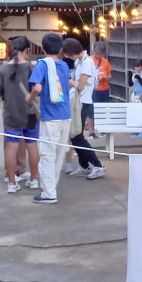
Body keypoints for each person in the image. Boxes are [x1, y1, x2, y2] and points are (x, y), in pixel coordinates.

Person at [28, 33, 71, 204]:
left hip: (50, 116)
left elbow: (37, 87)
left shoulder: (42, 65)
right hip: (65, 114)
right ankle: (51, 188)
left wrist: (30, 97)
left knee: (47, 154)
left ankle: (49, 192)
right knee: (59, 154)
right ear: (61, 49)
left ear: (43, 49)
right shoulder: (64, 66)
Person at [0, 36, 39, 194]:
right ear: (27, 49)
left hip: (11, 113)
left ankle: (12, 183)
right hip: (30, 113)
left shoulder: (3, 68)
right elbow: (38, 89)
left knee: (11, 148)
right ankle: (33, 180)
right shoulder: (32, 68)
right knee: (32, 147)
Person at [62, 38, 108, 180]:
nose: (67, 57)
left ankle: (98, 165)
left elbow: (81, 86)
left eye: (67, 54)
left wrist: (70, 81)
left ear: (72, 52)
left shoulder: (87, 62)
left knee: (77, 136)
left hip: (83, 102)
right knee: (75, 136)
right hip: (78, 101)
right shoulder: (80, 62)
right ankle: (84, 165)